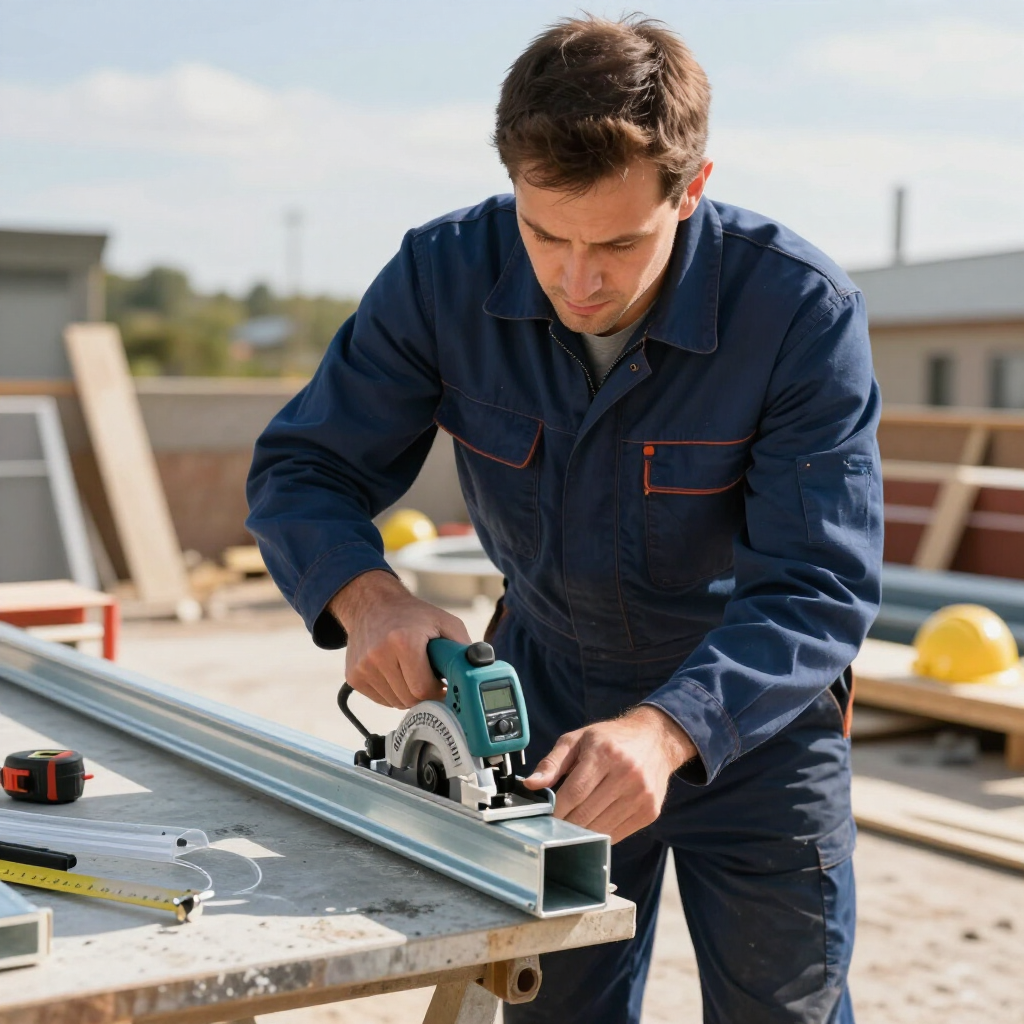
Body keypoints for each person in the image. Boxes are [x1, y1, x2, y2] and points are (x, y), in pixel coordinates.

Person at [246, 14, 882, 1024]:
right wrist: (365, 598)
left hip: (753, 725)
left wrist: (673, 727)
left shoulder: (798, 311)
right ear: (512, 183)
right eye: (545, 235)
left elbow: (818, 584)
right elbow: (304, 465)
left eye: (620, 243)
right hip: (542, 708)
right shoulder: (440, 276)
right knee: (554, 1007)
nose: (579, 282)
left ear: (694, 188)